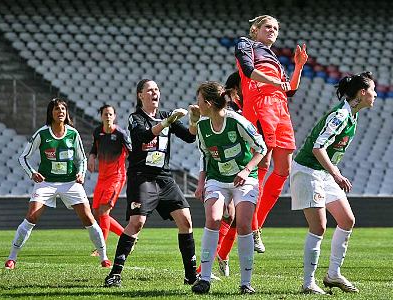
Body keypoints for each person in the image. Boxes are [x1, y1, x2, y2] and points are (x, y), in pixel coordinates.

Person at [104, 79, 199, 287]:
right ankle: (114, 274)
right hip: (142, 176)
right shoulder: (135, 118)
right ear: (140, 95)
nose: (155, 92)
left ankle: (191, 275)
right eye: (150, 90)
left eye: (157, 89)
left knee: (186, 220)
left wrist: (194, 121)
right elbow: (143, 137)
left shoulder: (167, 116)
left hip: (164, 178)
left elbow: (190, 138)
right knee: (136, 223)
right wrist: (165, 123)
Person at [290, 71, 376, 294]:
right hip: (308, 170)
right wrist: (337, 175)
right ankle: (308, 283)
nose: (375, 95)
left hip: (324, 173)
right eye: (372, 90)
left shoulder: (352, 116)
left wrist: (333, 174)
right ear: (362, 92)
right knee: (318, 226)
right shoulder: (340, 116)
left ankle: (333, 274)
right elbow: (318, 148)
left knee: (347, 220)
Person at [4, 98, 110, 270]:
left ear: (66, 113)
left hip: (70, 183)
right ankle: (12, 258)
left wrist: (81, 174)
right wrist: (32, 173)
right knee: (31, 216)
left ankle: (104, 258)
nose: (60, 112)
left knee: (88, 218)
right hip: (46, 183)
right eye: (56, 109)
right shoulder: (42, 134)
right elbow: (23, 157)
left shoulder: (73, 134)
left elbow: (82, 158)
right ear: (50, 113)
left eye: (63, 109)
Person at [235, 15, 308, 253]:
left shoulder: (276, 59)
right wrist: (275, 83)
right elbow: (247, 71)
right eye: (268, 26)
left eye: (276, 28)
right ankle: (252, 226)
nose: (273, 31)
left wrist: (298, 66)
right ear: (255, 29)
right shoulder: (246, 44)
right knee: (262, 161)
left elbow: (291, 90)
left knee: (284, 169)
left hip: (280, 108)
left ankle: (257, 225)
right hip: (260, 104)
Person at [191, 81, 267, 294]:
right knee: (213, 219)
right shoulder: (202, 126)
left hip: (245, 179)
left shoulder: (236, 121)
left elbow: (261, 147)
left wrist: (246, 170)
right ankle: (204, 279)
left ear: (207, 103)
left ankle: (246, 283)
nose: (196, 104)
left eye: (198, 100)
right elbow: (205, 156)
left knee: (243, 225)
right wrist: (200, 183)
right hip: (216, 179)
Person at [88, 104, 131, 256]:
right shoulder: (97, 132)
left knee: (104, 210)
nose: (108, 117)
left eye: (110, 114)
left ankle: (101, 249)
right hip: (102, 177)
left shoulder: (120, 134)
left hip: (116, 177)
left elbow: (130, 152)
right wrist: (91, 157)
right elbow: (94, 148)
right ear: (101, 116)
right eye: (105, 114)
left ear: (114, 116)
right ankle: (128, 237)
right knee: (96, 212)